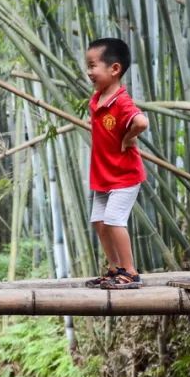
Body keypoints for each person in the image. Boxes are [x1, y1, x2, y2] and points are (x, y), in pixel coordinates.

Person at [82, 38, 148, 289]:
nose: (89, 72)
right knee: (99, 222)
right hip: (103, 174)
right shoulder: (97, 98)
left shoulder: (121, 101)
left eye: (92, 65)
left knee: (113, 221)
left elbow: (141, 122)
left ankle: (130, 272)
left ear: (114, 69)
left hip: (124, 175)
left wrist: (128, 139)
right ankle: (114, 268)